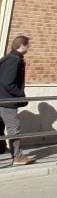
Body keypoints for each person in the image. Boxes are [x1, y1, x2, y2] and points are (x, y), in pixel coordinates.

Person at [0, 35, 34, 165]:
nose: (29, 48)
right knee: (14, 127)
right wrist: (20, 95)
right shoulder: (15, 60)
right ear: (22, 46)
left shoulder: (6, 58)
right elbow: (8, 82)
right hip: (7, 101)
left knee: (0, 126)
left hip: (1, 98)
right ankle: (17, 156)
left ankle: (2, 148)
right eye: (27, 45)